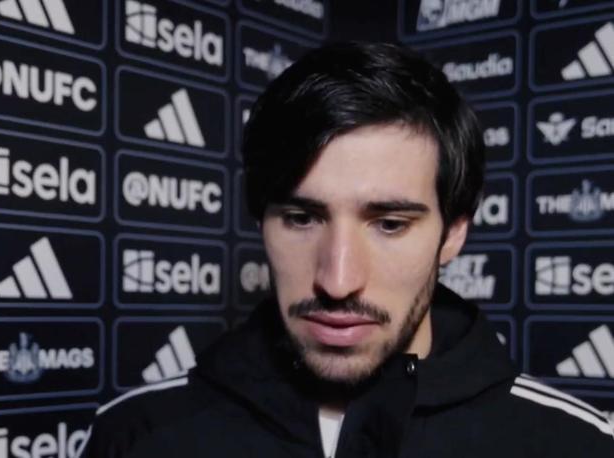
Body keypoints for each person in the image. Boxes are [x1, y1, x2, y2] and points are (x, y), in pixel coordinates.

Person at [78, 42, 614, 457]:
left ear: (453, 233)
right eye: (301, 218)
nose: (337, 281)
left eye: (389, 224)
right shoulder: (138, 435)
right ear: (260, 220)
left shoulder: (573, 444)